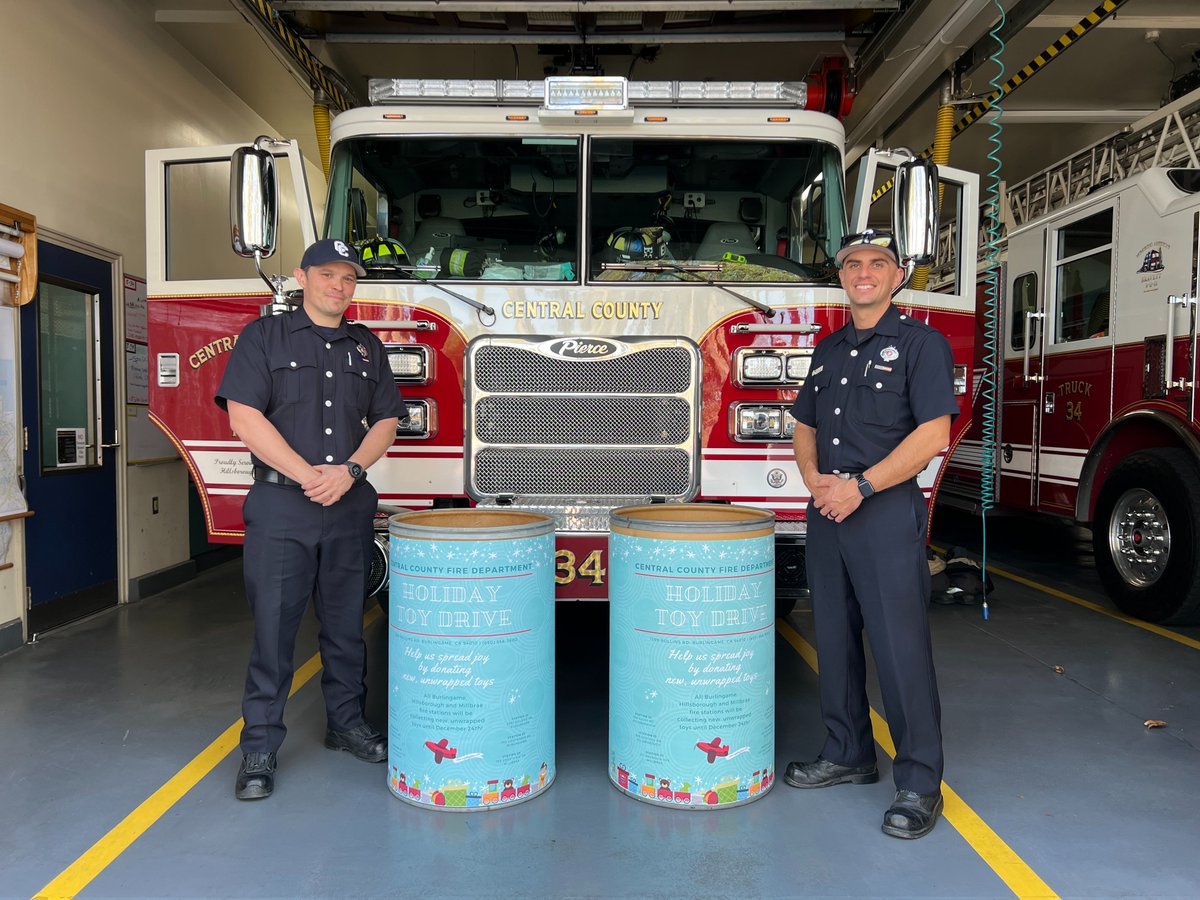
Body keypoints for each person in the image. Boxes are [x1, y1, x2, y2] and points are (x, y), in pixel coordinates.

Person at [784, 230, 957, 839]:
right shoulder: (827, 349)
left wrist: (860, 487)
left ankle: (917, 782)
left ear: (897, 275)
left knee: (899, 648)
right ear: (841, 276)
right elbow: (803, 423)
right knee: (833, 637)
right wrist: (814, 481)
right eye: (852, 263)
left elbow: (933, 433)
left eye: (877, 263)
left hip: (882, 510)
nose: (863, 272)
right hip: (828, 511)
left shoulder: (921, 344)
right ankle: (849, 753)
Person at [216, 238, 402, 800]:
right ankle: (259, 748)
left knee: (347, 624)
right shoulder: (263, 337)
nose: (338, 287)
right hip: (281, 507)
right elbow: (245, 419)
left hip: (347, 505)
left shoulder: (367, 347)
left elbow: (387, 420)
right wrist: (308, 475)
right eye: (327, 275)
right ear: (301, 276)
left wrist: (347, 470)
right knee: (274, 628)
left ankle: (345, 724)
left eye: (348, 278)